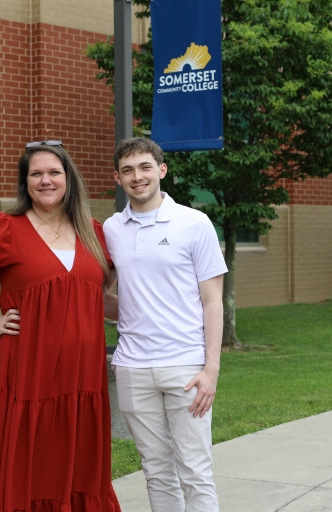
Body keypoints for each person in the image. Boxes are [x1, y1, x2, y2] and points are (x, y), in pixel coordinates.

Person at [0, 141, 121, 512]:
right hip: (24, 367)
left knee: (76, 455)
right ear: (26, 182)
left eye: (54, 172)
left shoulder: (93, 232)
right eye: (36, 173)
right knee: (22, 455)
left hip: (82, 373)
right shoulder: (8, 229)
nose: (45, 180)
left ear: (69, 178)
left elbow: (95, 298)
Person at [104, 137, 227, 511]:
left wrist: (211, 369)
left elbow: (212, 301)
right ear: (117, 178)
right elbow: (111, 298)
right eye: (127, 170)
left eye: (144, 167)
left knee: (195, 470)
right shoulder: (111, 229)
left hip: (186, 368)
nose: (137, 177)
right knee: (156, 471)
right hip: (132, 368)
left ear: (161, 170)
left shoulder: (194, 223)